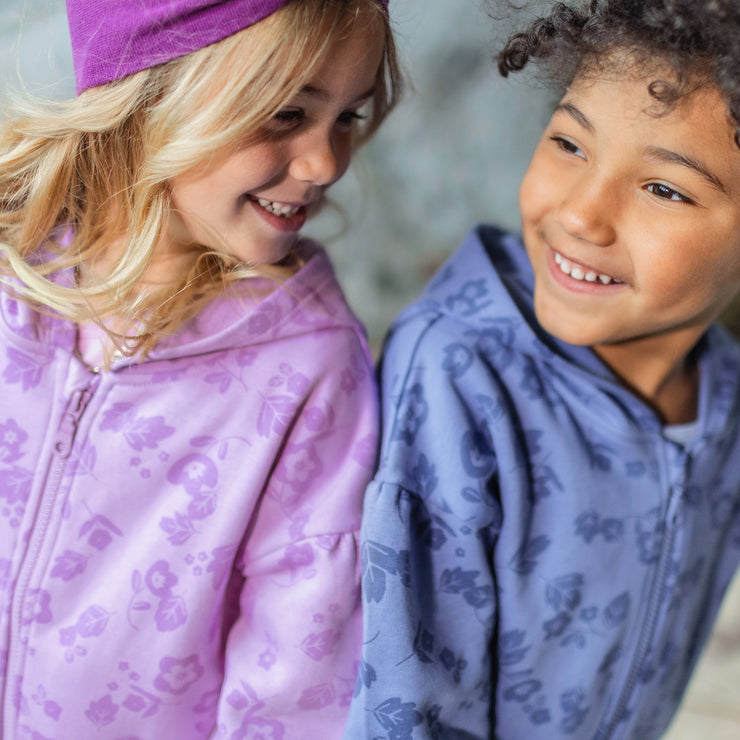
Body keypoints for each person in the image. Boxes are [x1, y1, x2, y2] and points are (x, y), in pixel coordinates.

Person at [0, 0, 400, 737]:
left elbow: (294, 681)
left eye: (348, 115)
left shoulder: (305, 366)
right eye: (286, 113)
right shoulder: (11, 269)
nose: (326, 163)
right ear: (151, 87)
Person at [343, 0, 740, 738]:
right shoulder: (459, 374)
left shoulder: (725, 401)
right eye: (569, 143)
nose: (583, 214)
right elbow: (404, 701)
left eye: (663, 188)